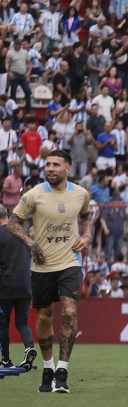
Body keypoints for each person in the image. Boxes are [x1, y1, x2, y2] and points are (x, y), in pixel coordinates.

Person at [8, 150, 93, 393]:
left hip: (70, 262)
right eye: (47, 164)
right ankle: (48, 368)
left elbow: (87, 217)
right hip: (42, 265)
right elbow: (14, 223)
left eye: (56, 164)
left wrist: (86, 236)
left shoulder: (80, 193)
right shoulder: (34, 194)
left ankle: (63, 370)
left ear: (68, 168)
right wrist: (30, 243)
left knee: (69, 310)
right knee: (44, 316)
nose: (50, 168)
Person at [0, 205, 37, 370]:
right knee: (22, 321)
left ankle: (5, 360)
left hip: (5, 286)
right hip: (25, 285)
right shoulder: (22, 232)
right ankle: (29, 347)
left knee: (2, 323)